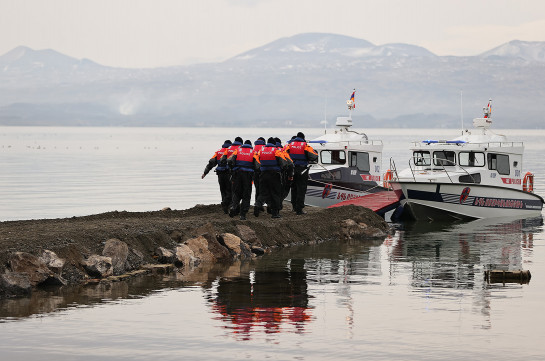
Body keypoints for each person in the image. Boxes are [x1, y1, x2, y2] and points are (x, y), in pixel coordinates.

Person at [255, 137, 292, 219]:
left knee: (263, 192)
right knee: (275, 193)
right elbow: (284, 164)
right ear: (274, 144)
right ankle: (275, 213)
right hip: (275, 175)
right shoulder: (276, 151)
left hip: (263, 174)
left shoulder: (261, 150)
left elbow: (257, 163)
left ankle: (258, 204)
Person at [285, 131, 318, 215]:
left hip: (292, 169)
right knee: (301, 189)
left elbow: (284, 154)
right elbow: (314, 156)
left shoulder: (290, 145)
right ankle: (299, 209)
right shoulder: (305, 145)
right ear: (303, 138)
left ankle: (294, 207)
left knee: (294, 188)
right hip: (302, 170)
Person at [227, 139, 259, 220]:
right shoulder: (253, 152)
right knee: (246, 194)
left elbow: (230, 160)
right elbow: (257, 165)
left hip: (237, 174)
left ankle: (233, 207)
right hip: (248, 176)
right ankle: (243, 214)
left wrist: (232, 170)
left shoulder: (237, 150)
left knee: (236, 193)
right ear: (250, 145)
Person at [202, 140, 232, 214]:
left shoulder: (218, 152)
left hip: (220, 174)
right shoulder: (230, 151)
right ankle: (226, 204)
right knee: (230, 190)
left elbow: (211, 162)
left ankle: (225, 207)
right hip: (228, 173)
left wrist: (205, 172)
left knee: (223, 190)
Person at [252, 137, 266, 211]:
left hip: (254, 172)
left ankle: (256, 203)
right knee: (263, 189)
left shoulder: (253, 148)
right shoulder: (264, 148)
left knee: (257, 188)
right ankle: (259, 204)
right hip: (263, 171)